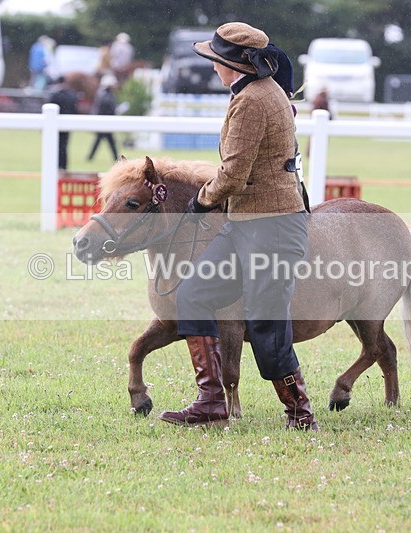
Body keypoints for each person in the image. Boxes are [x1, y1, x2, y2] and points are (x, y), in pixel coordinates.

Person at [158, 22, 318, 431]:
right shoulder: (259, 92)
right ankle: (211, 402)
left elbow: (232, 174)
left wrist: (198, 201)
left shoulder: (252, 101)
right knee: (193, 293)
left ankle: (300, 413)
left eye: (216, 60)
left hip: (273, 226)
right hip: (247, 222)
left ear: (235, 64)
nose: (213, 67)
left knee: (266, 323)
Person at [47, 78, 79, 170]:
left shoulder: (55, 94)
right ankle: (64, 165)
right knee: (64, 145)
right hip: (68, 124)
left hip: (54, 124)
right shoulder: (72, 95)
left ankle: (55, 165)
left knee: (55, 145)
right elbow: (75, 109)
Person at [87, 75, 119, 162]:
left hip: (103, 122)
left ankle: (90, 157)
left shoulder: (101, 94)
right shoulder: (106, 95)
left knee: (100, 141)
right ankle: (116, 158)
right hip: (105, 123)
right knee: (110, 142)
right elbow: (110, 108)